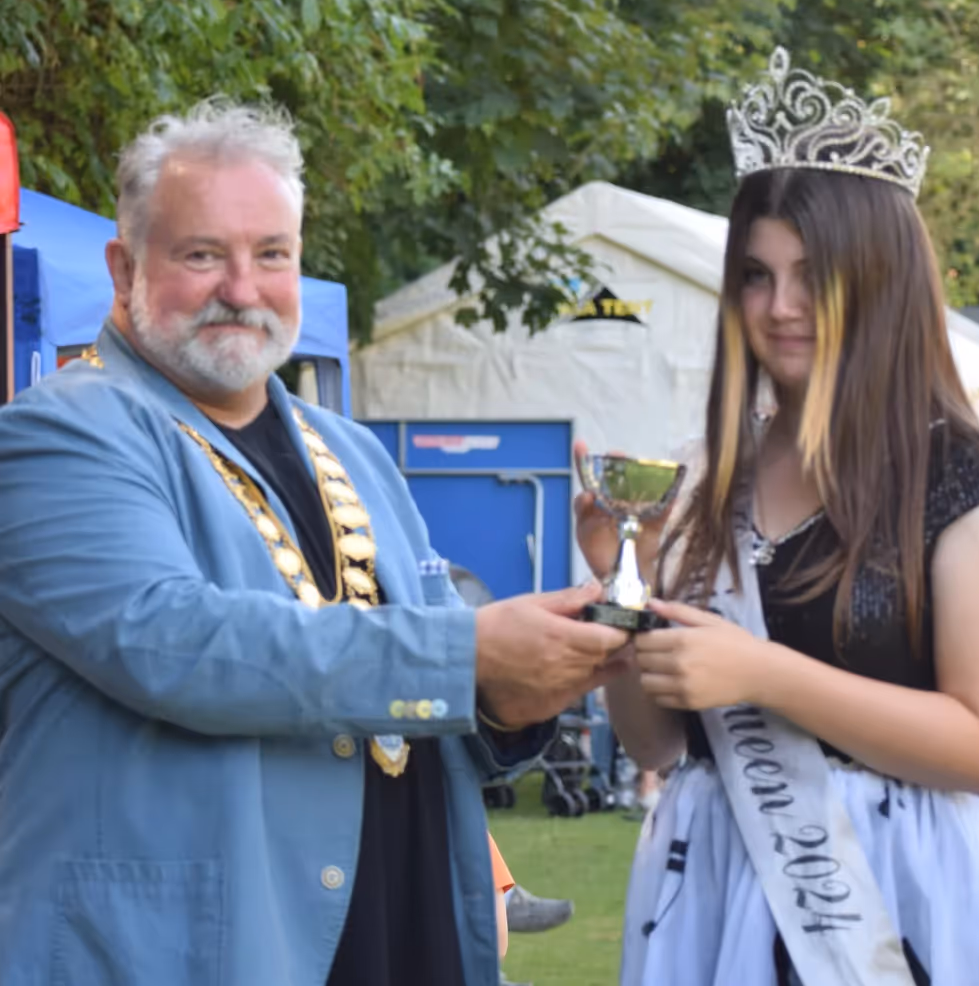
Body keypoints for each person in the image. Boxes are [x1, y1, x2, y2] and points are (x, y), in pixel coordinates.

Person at [0, 100, 628, 986]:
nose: (242, 288)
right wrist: (470, 655)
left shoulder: (354, 451)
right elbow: (174, 642)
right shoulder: (55, 434)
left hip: (400, 931)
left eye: (273, 255)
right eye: (202, 254)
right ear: (123, 267)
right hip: (188, 953)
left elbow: (432, 695)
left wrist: (515, 692)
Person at [576, 48, 979, 985]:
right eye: (757, 276)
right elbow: (654, 743)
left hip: (889, 898)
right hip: (715, 885)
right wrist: (622, 580)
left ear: (882, 279)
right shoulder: (709, 477)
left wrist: (764, 673)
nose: (781, 307)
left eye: (814, 275)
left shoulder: (960, 474)